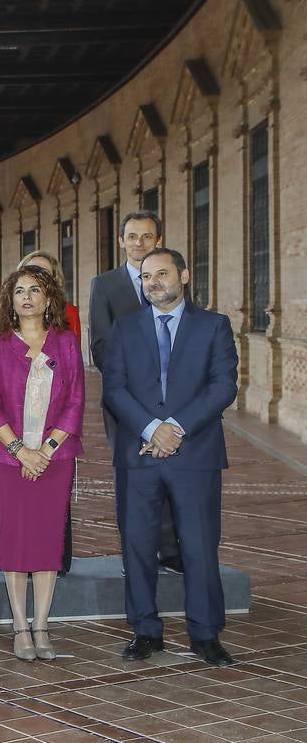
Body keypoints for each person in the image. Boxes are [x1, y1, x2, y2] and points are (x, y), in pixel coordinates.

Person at [103, 248, 237, 667]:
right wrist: (151, 429)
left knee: (198, 546)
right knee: (137, 547)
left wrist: (175, 429)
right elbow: (115, 390)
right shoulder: (124, 329)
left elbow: (222, 387)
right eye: (145, 277)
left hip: (194, 453)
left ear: (183, 274)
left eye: (161, 273)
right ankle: (145, 630)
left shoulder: (214, 326)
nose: (153, 282)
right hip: (139, 454)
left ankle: (205, 632)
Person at [0, 266, 85, 662]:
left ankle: (42, 623)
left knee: (46, 540)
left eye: (34, 290)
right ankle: (19, 625)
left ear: (48, 299)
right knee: (15, 540)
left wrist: (47, 450)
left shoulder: (67, 343)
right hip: (8, 461)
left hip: (55, 460)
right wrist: (21, 451)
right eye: (19, 290)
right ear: (10, 300)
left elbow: (76, 401)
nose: (26, 297)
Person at [89, 210, 181, 571]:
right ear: (121, 241)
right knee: (132, 475)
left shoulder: (172, 277)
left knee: (172, 470)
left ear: (157, 239)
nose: (139, 243)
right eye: (132, 236)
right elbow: (101, 345)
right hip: (125, 400)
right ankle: (137, 552)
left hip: (172, 397)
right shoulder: (106, 284)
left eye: (146, 237)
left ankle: (171, 549)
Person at [18, 249, 82, 575]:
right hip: (19, 416)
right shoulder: (9, 318)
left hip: (55, 415)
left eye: (42, 276)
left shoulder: (69, 315)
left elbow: (72, 372)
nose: (34, 283)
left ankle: (58, 557)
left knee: (55, 489)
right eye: (29, 275)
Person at [19, 250, 81, 336]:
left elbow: (73, 348)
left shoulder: (69, 314)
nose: (35, 277)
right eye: (30, 271)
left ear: (55, 281)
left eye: (44, 273)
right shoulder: (3, 314)